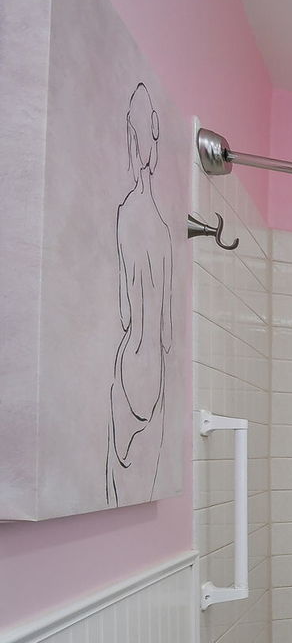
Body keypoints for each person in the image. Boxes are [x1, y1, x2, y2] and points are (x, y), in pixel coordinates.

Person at [106, 83, 173, 504]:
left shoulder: (125, 215)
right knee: (148, 487)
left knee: (121, 483)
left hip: (130, 365)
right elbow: (165, 330)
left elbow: (126, 313)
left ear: (132, 139)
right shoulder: (166, 232)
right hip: (158, 375)